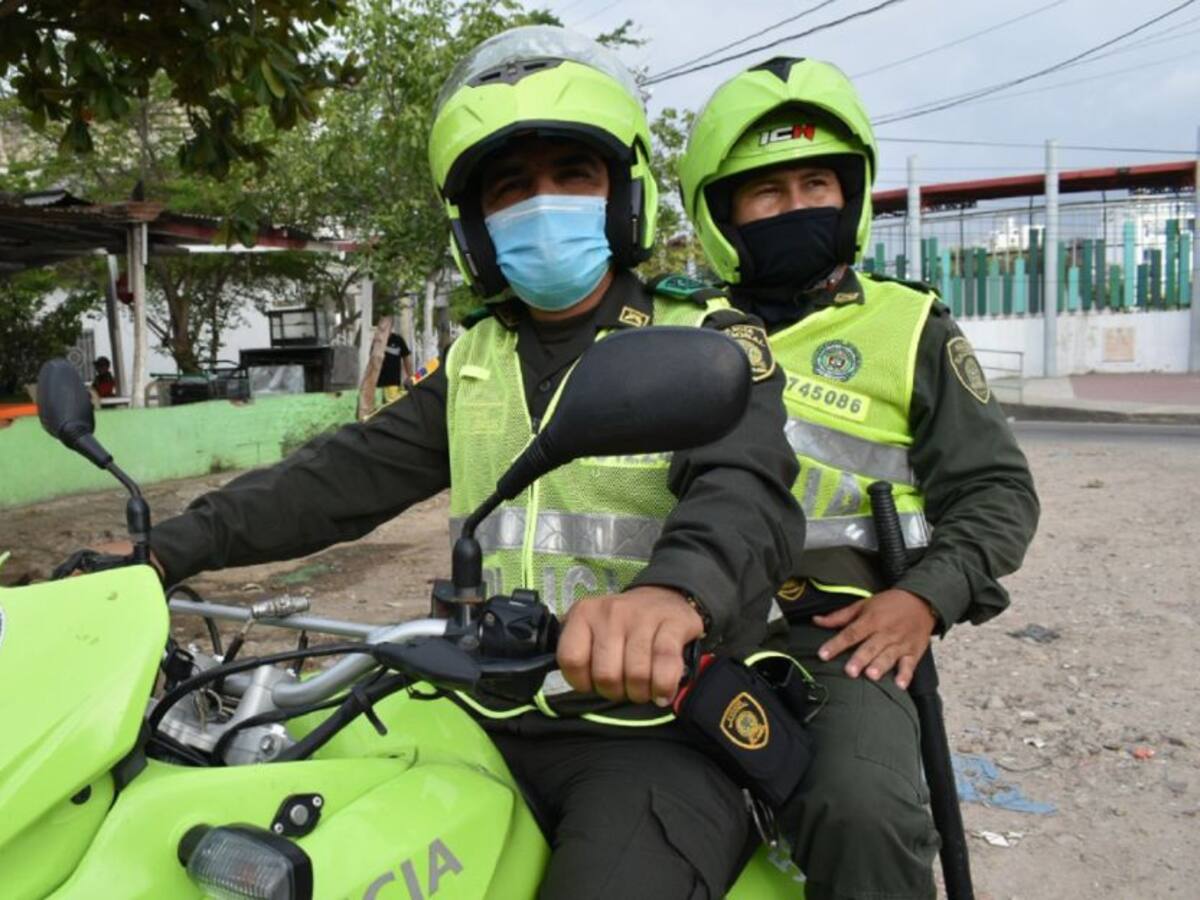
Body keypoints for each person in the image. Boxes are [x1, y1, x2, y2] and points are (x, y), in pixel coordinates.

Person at [135, 28, 804, 899]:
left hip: (650, 730)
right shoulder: (475, 360)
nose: (542, 204)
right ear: (477, 228)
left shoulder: (706, 341)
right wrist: (160, 552)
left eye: (573, 176)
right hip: (473, 704)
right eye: (511, 189)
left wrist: (672, 595)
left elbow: (743, 490)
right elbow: (337, 479)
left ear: (619, 199)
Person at [678, 57, 1040, 900]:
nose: (797, 207)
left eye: (817, 183)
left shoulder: (908, 324)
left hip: (840, 638)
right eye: (766, 192)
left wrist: (924, 600)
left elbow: (997, 493)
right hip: (694, 623)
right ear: (722, 212)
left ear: (853, 197)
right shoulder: (683, 330)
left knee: (862, 811)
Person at [377, 331, 413, 402]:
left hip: (393, 383)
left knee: (393, 403)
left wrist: (410, 376)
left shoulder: (398, 339)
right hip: (379, 384)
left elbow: (406, 357)